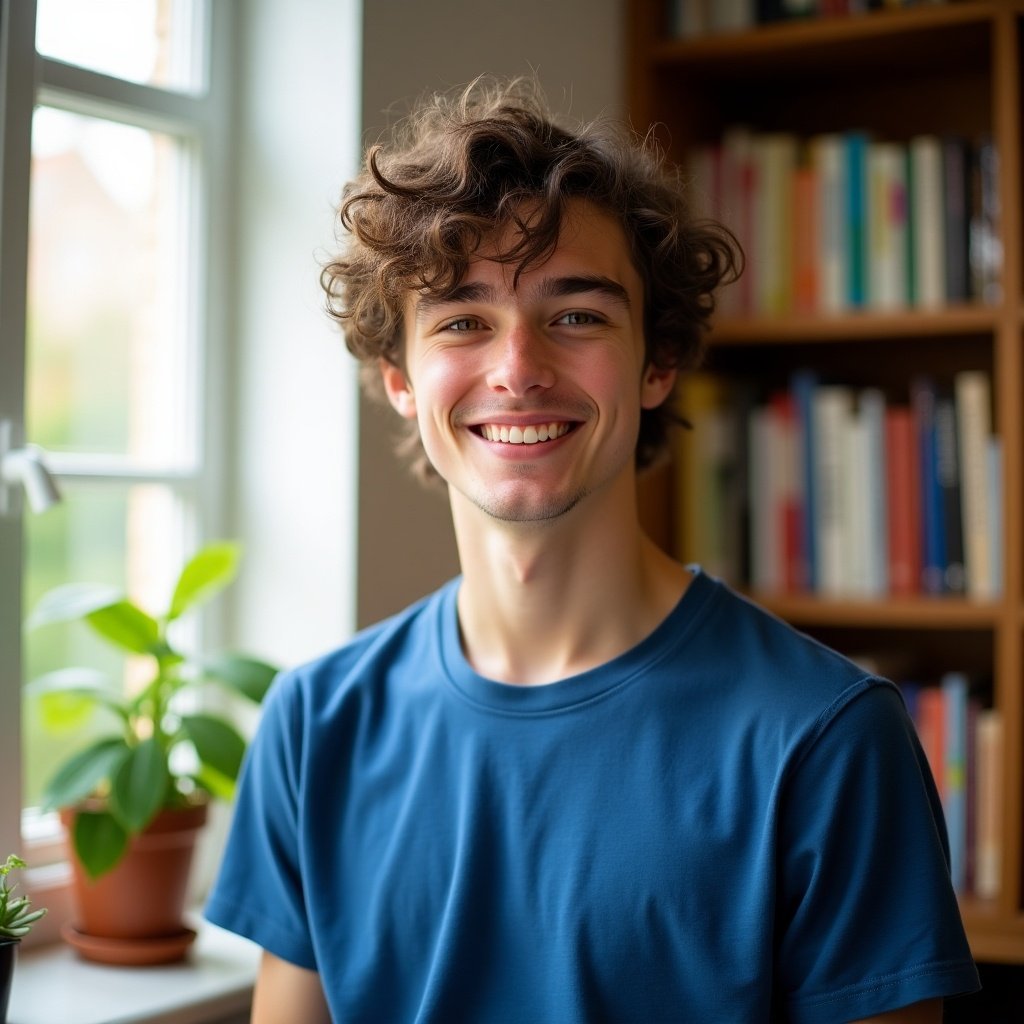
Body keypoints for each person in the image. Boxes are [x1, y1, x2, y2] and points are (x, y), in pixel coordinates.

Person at [205, 77, 981, 1023]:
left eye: (576, 315)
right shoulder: (312, 725)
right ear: (401, 380)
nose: (519, 366)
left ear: (657, 363)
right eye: (462, 319)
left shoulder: (827, 739)